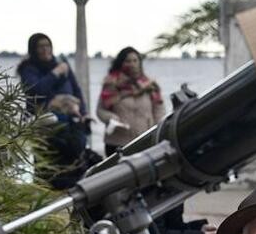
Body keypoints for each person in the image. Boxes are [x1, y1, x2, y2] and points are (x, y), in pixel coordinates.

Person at [17, 33, 95, 189]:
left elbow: (76, 89)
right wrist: (55, 73)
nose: (45, 49)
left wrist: (84, 113)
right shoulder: (28, 69)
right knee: (49, 169)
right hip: (45, 129)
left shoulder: (62, 65)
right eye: (41, 46)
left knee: (75, 162)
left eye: (48, 45)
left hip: (70, 124)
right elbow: (37, 90)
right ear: (34, 49)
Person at [97, 47, 165, 156]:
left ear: (139, 62)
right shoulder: (111, 84)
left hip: (145, 141)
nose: (132, 64)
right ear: (121, 63)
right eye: (128, 61)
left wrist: (158, 132)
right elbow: (100, 110)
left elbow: (159, 111)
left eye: (135, 60)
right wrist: (111, 118)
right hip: (117, 143)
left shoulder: (150, 85)